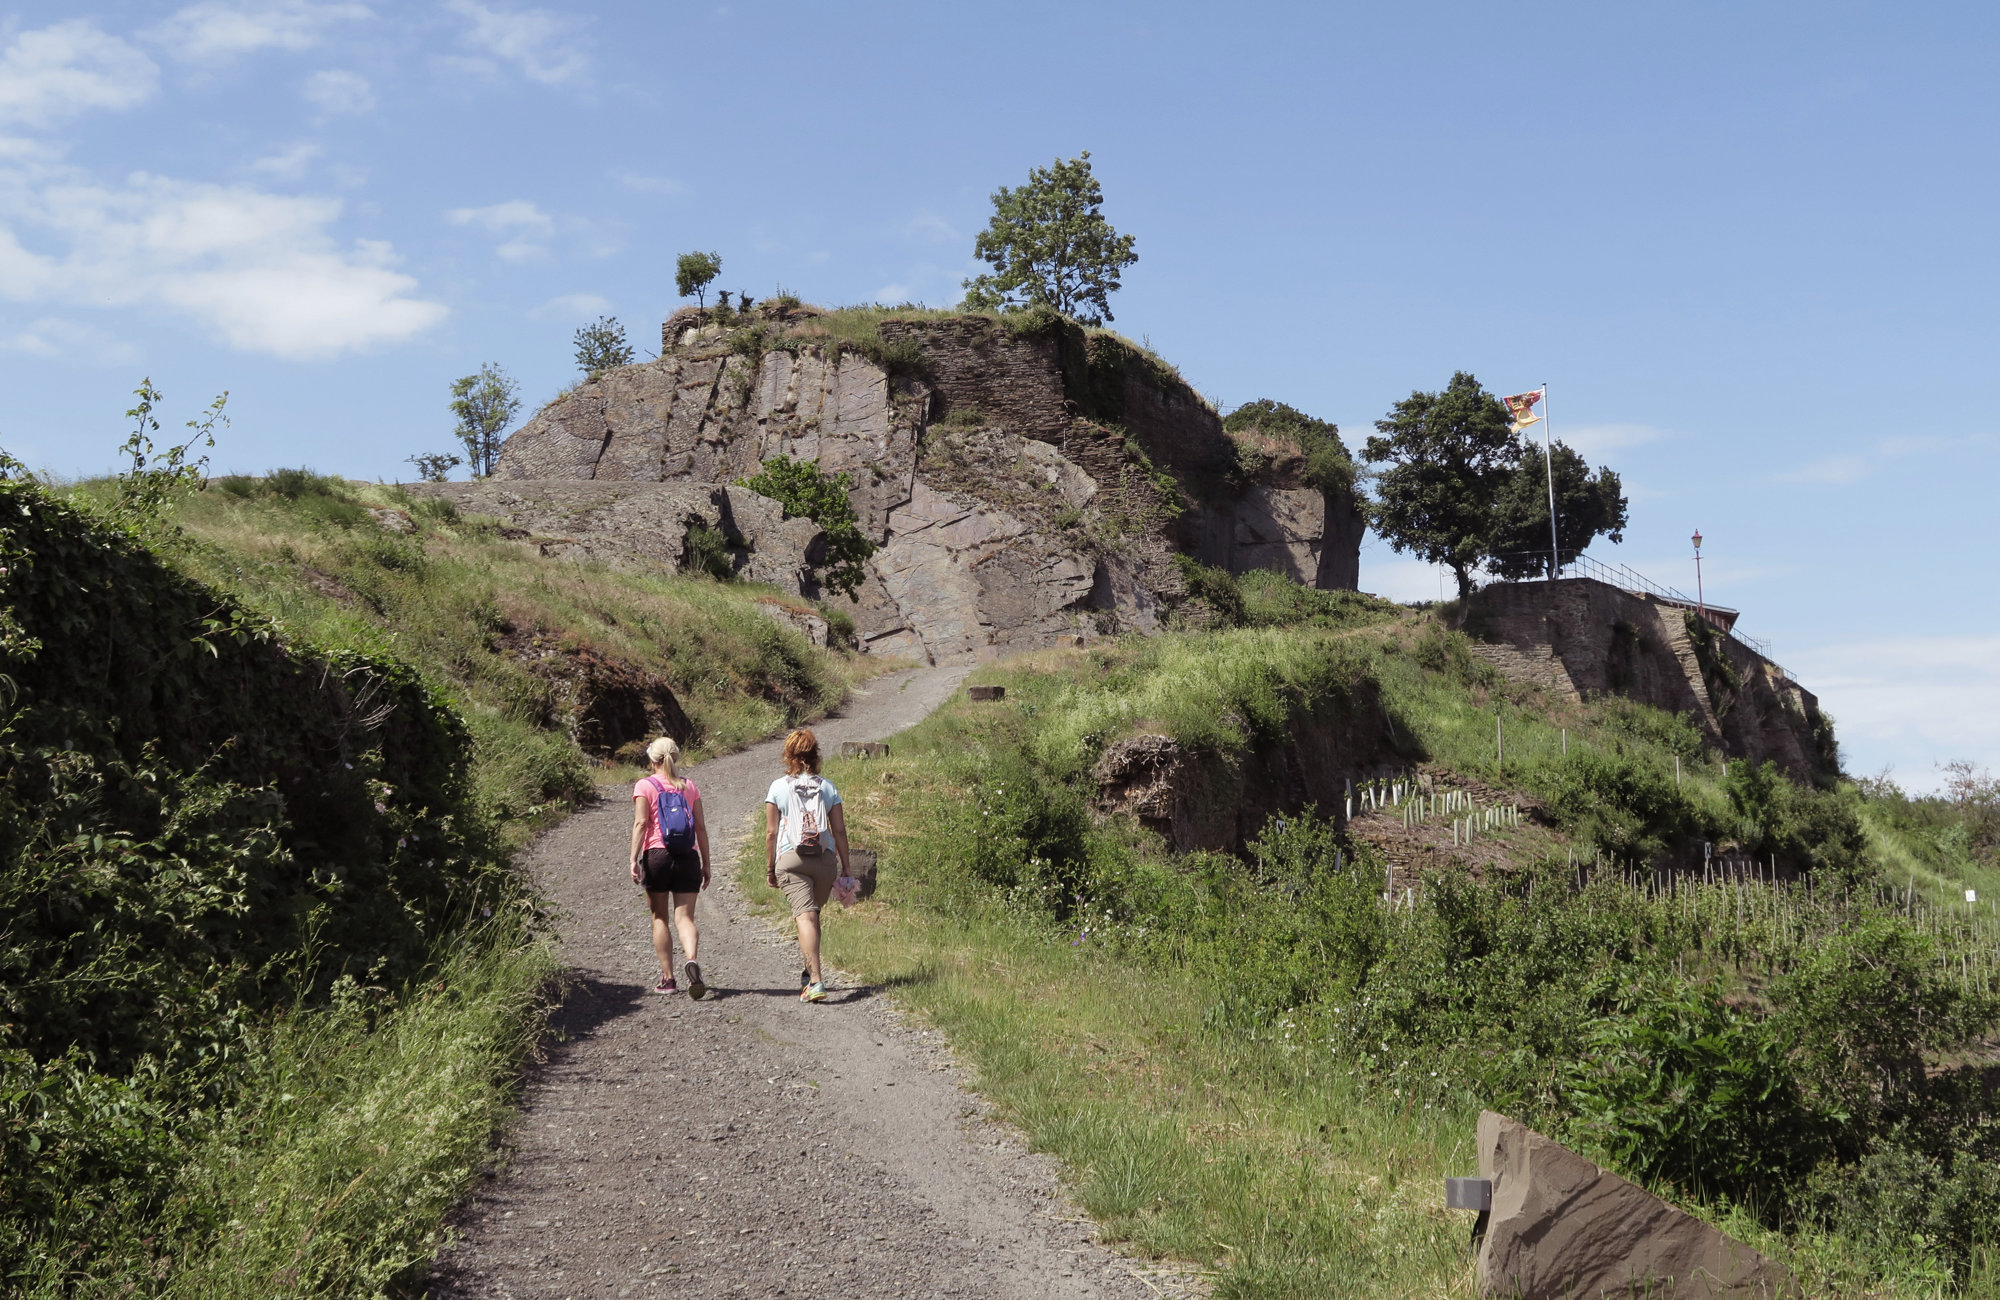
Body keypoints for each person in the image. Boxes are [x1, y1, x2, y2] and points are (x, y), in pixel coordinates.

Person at [763, 728, 851, 1003]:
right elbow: (839, 831)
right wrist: (846, 868)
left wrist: (770, 867)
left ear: (788, 755)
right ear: (816, 754)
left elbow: (771, 833)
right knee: (813, 915)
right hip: (825, 861)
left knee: (806, 916)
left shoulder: (778, 787)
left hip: (792, 860)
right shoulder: (828, 786)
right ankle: (808, 974)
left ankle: (815, 981)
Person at [629, 736, 711, 997]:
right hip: (688, 856)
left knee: (660, 917)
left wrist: (633, 859)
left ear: (652, 760)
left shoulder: (645, 785)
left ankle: (669, 978)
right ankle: (692, 959)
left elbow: (641, 823)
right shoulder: (689, 786)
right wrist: (706, 863)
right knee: (684, 917)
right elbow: (700, 827)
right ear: (675, 758)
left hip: (657, 857)